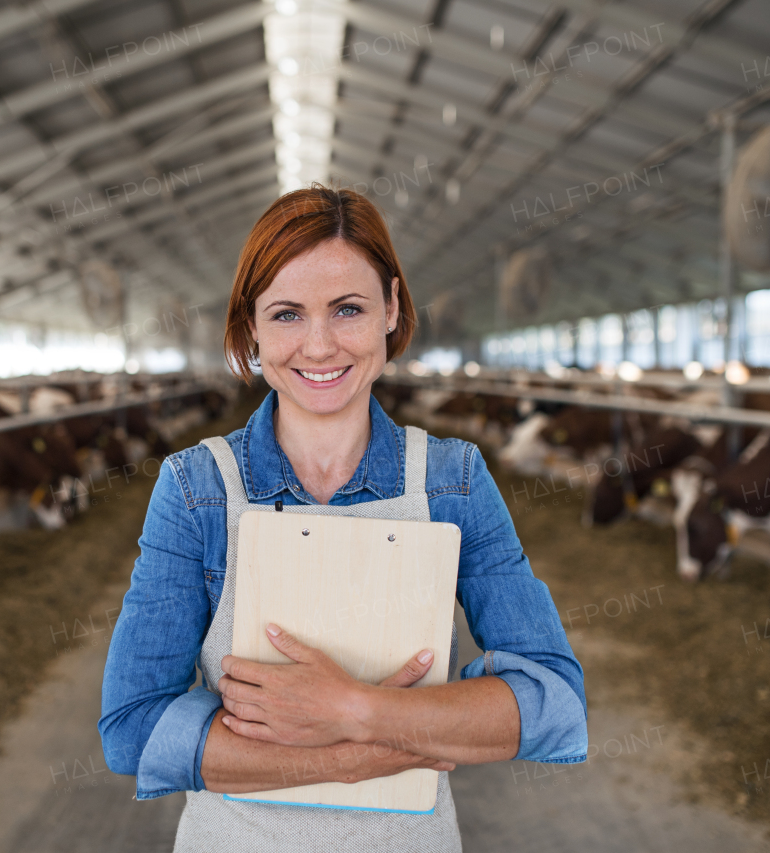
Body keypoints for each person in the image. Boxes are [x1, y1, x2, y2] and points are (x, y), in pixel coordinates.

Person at [99, 185, 586, 852]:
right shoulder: (198, 487)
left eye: (348, 309)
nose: (320, 345)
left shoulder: (452, 478)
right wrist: (355, 756)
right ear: (251, 329)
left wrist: (356, 708)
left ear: (391, 306)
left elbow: (552, 699)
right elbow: (134, 727)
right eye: (288, 314)